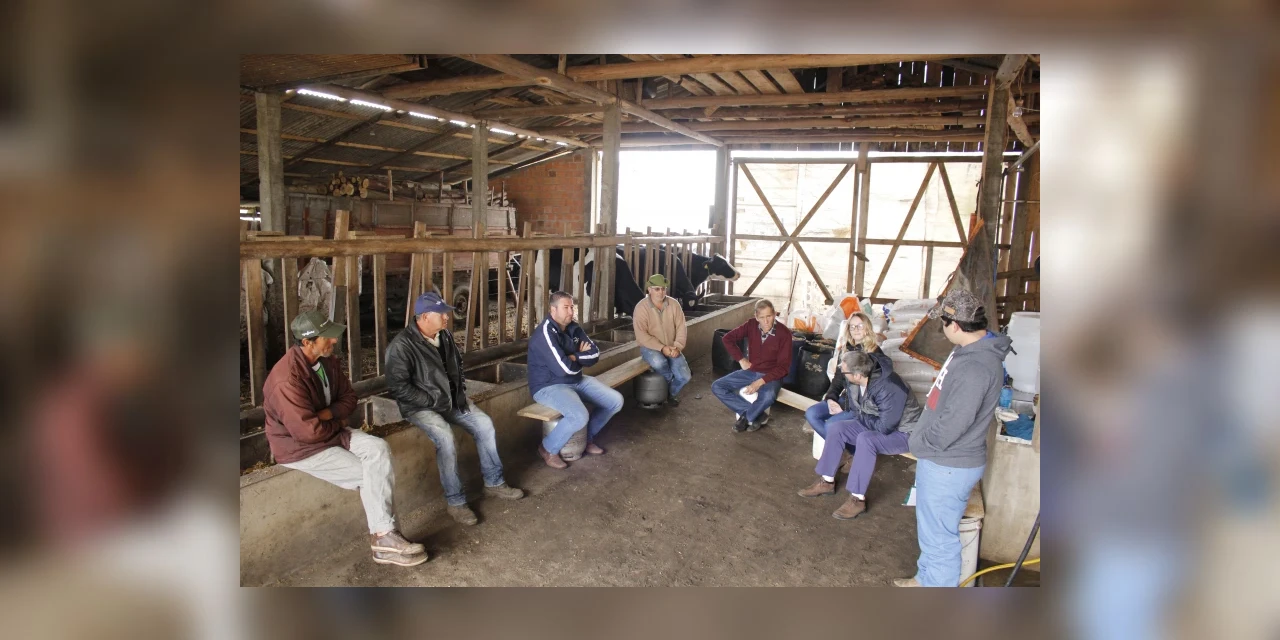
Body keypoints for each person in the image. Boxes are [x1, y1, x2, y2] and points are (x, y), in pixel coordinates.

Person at [263, 310, 427, 567]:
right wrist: (336, 421)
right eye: (327, 337)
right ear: (307, 342)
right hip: (301, 448)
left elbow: (349, 399)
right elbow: (307, 433)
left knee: (378, 449)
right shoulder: (286, 379)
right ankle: (385, 538)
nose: (334, 340)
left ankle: (386, 539)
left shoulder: (326, 361)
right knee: (372, 475)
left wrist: (328, 415)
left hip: (331, 432)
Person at [893, 290, 1012, 587]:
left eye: (943, 323)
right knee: (931, 529)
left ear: (955, 325)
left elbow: (954, 423)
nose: (942, 329)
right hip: (944, 459)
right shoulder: (969, 350)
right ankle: (925, 578)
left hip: (948, 463)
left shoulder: (976, 368)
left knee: (940, 538)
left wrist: (921, 445)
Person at [385, 292, 525, 527]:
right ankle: (456, 502)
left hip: (451, 400)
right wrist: (431, 399)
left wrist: (458, 392)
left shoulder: (444, 335)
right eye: (442, 314)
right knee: (445, 437)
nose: (447, 317)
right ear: (425, 317)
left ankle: (494, 482)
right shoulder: (401, 346)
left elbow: (456, 365)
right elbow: (398, 387)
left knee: (484, 424)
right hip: (420, 407)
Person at [797, 350, 922, 520]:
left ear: (857, 374)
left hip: (904, 432)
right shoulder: (857, 380)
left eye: (844, 371)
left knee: (866, 440)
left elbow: (885, 427)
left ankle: (858, 499)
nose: (842, 373)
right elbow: (857, 410)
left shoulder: (889, 386)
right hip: (874, 421)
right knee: (836, 428)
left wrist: (861, 416)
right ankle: (827, 481)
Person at [528, 291, 625, 469]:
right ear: (553, 310)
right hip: (549, 385)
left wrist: (573, 357)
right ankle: (547, 448)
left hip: (576, 380)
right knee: (579, 415)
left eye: (572, 307)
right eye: (566, 307)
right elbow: (563, 369)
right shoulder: (545, 333)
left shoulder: (574, 328)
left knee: (615, 401)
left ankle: (586, 439)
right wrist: (579, 356)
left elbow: (595, 354)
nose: (571, 312)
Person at [711, 299, 793, 432]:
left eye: (769, 316)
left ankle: (747, 417)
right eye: (762, 317)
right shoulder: (751, 325)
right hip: (752, 370)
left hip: (772, 375)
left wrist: (760, 382)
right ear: (756, 317)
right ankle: (757, 414)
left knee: (769, 396)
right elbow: (727, 338)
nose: (766, 321)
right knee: (717, 386)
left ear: (774, 314)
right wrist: (741, 359)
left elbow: (783, 367)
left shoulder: (784, 334)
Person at [806, 311, 883, 439]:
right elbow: (838, 379)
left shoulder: (875, 354)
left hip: (863, 406)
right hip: (846, 398)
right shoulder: (846, 349)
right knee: (811, 413)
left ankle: (849, 447)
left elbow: (873, 390)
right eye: (852, 326)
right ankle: (842, 446)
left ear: (867, 328)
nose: (856, 329)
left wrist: (844, 407)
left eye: (860, 326)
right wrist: (831, 398)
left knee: (831, 425)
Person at [632, 274, 691, 406]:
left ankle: (669, 394)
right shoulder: (641, 308)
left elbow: (681, 327)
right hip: (650, 347)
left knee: (685, 377)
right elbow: (641, 335)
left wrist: (678, 346)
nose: (661, 292)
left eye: (663, 289)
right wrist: (662, 348)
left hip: (672, 346)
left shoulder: (674, 304)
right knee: (659, 362)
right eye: (657, 289)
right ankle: (668, 383)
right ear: (649, 290)